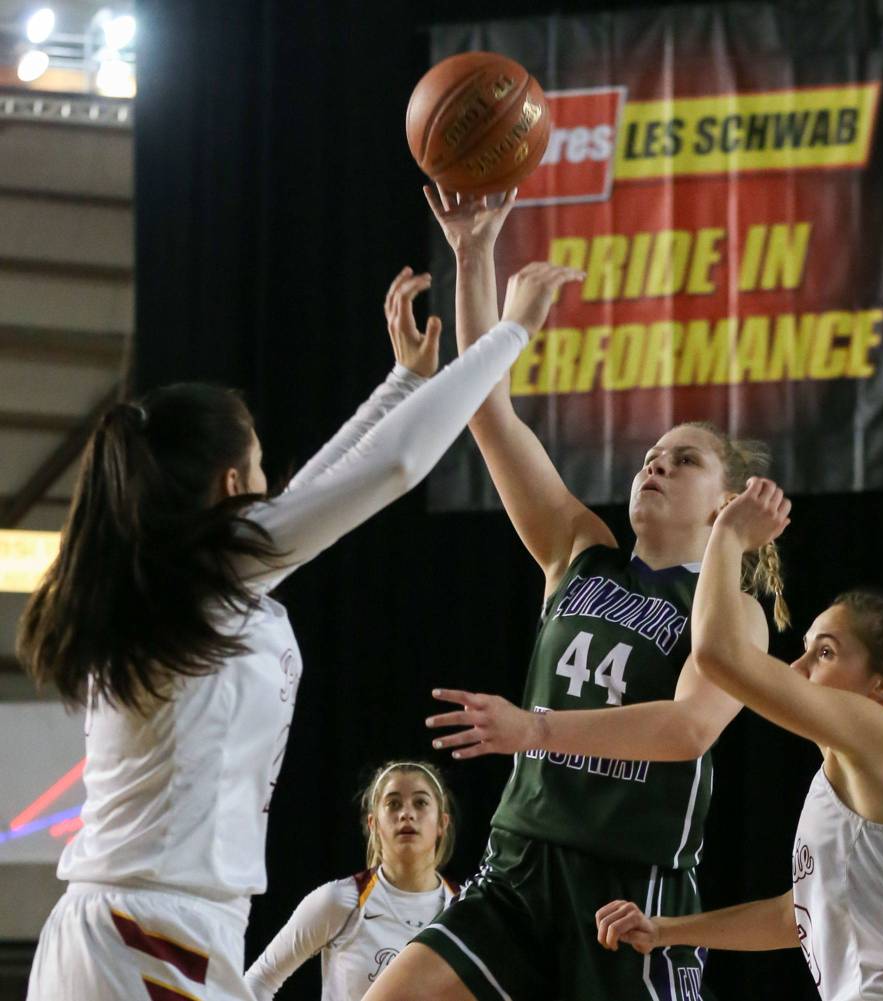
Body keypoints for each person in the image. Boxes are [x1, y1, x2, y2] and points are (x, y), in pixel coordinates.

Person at [17, 261, 582, 1001]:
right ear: (229, 485)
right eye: (257, 467)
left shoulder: (180, 579)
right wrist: (510, 333)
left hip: (135, 927)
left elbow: (320, 491)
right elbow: (394, 466)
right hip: (146, 934)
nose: (272, 489)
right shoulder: (204, 575)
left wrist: (402, 384)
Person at [361, 189, 786, 1001]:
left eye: (685, 460)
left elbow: (690, 728)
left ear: (726, 501)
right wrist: (473, 251)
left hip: (630, 887)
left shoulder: (733, 612)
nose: (655, 463)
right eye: (652, 454)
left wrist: (536, 727)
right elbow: (488, 409)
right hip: (519, 863)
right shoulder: (579, 550)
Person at [594, 478, 883, 1001]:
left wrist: (726, 536)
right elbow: (795, 913)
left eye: (824, 652)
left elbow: (720, 656)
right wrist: (665, 932)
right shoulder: (840, 778)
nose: (796, 668)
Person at [245, 761, 458, 1001]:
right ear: (374, 824)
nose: (406, 814)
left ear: (442, 823)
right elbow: (259, 980)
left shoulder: (465, 910)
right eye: (393, 804)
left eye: (420, 803)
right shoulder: (341, 901)